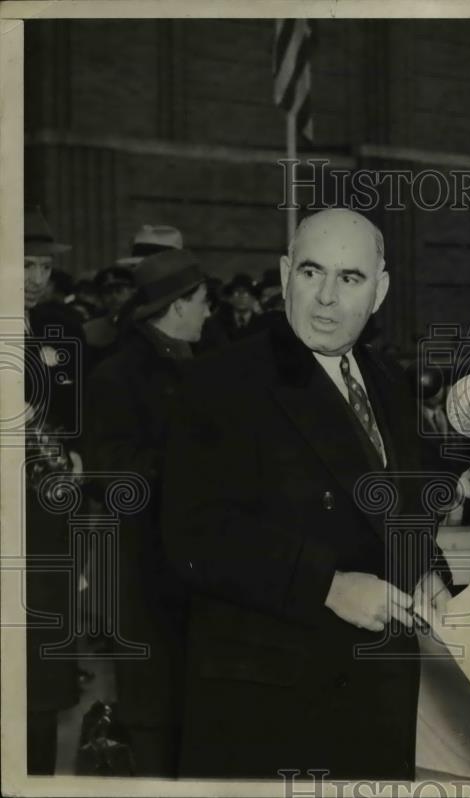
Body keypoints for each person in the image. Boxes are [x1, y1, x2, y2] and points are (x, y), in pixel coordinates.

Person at [160, 209, 470, 779]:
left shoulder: (385, 381)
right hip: (271, 708)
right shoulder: (219, 382)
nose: (327, 298)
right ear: (286, 274)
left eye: (350, 278)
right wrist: (326, 585)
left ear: (379, 291)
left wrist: (426, 576)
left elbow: (398, 512)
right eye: (312, 273)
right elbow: (192, 536)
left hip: (374, 697)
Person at [84, 249, 211, 776]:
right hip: (145, 569)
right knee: (155, 716)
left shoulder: (199, 367)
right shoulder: (119, 375)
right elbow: (109, 472)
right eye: (203, 303)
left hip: (192, 568)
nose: (209, 313)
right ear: (178, 306)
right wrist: (190, 464)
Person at [23, 207, 82, 774]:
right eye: (24, 263)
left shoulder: (41, 330)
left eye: (43, 265)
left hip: (41, 516)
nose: (37, 276)